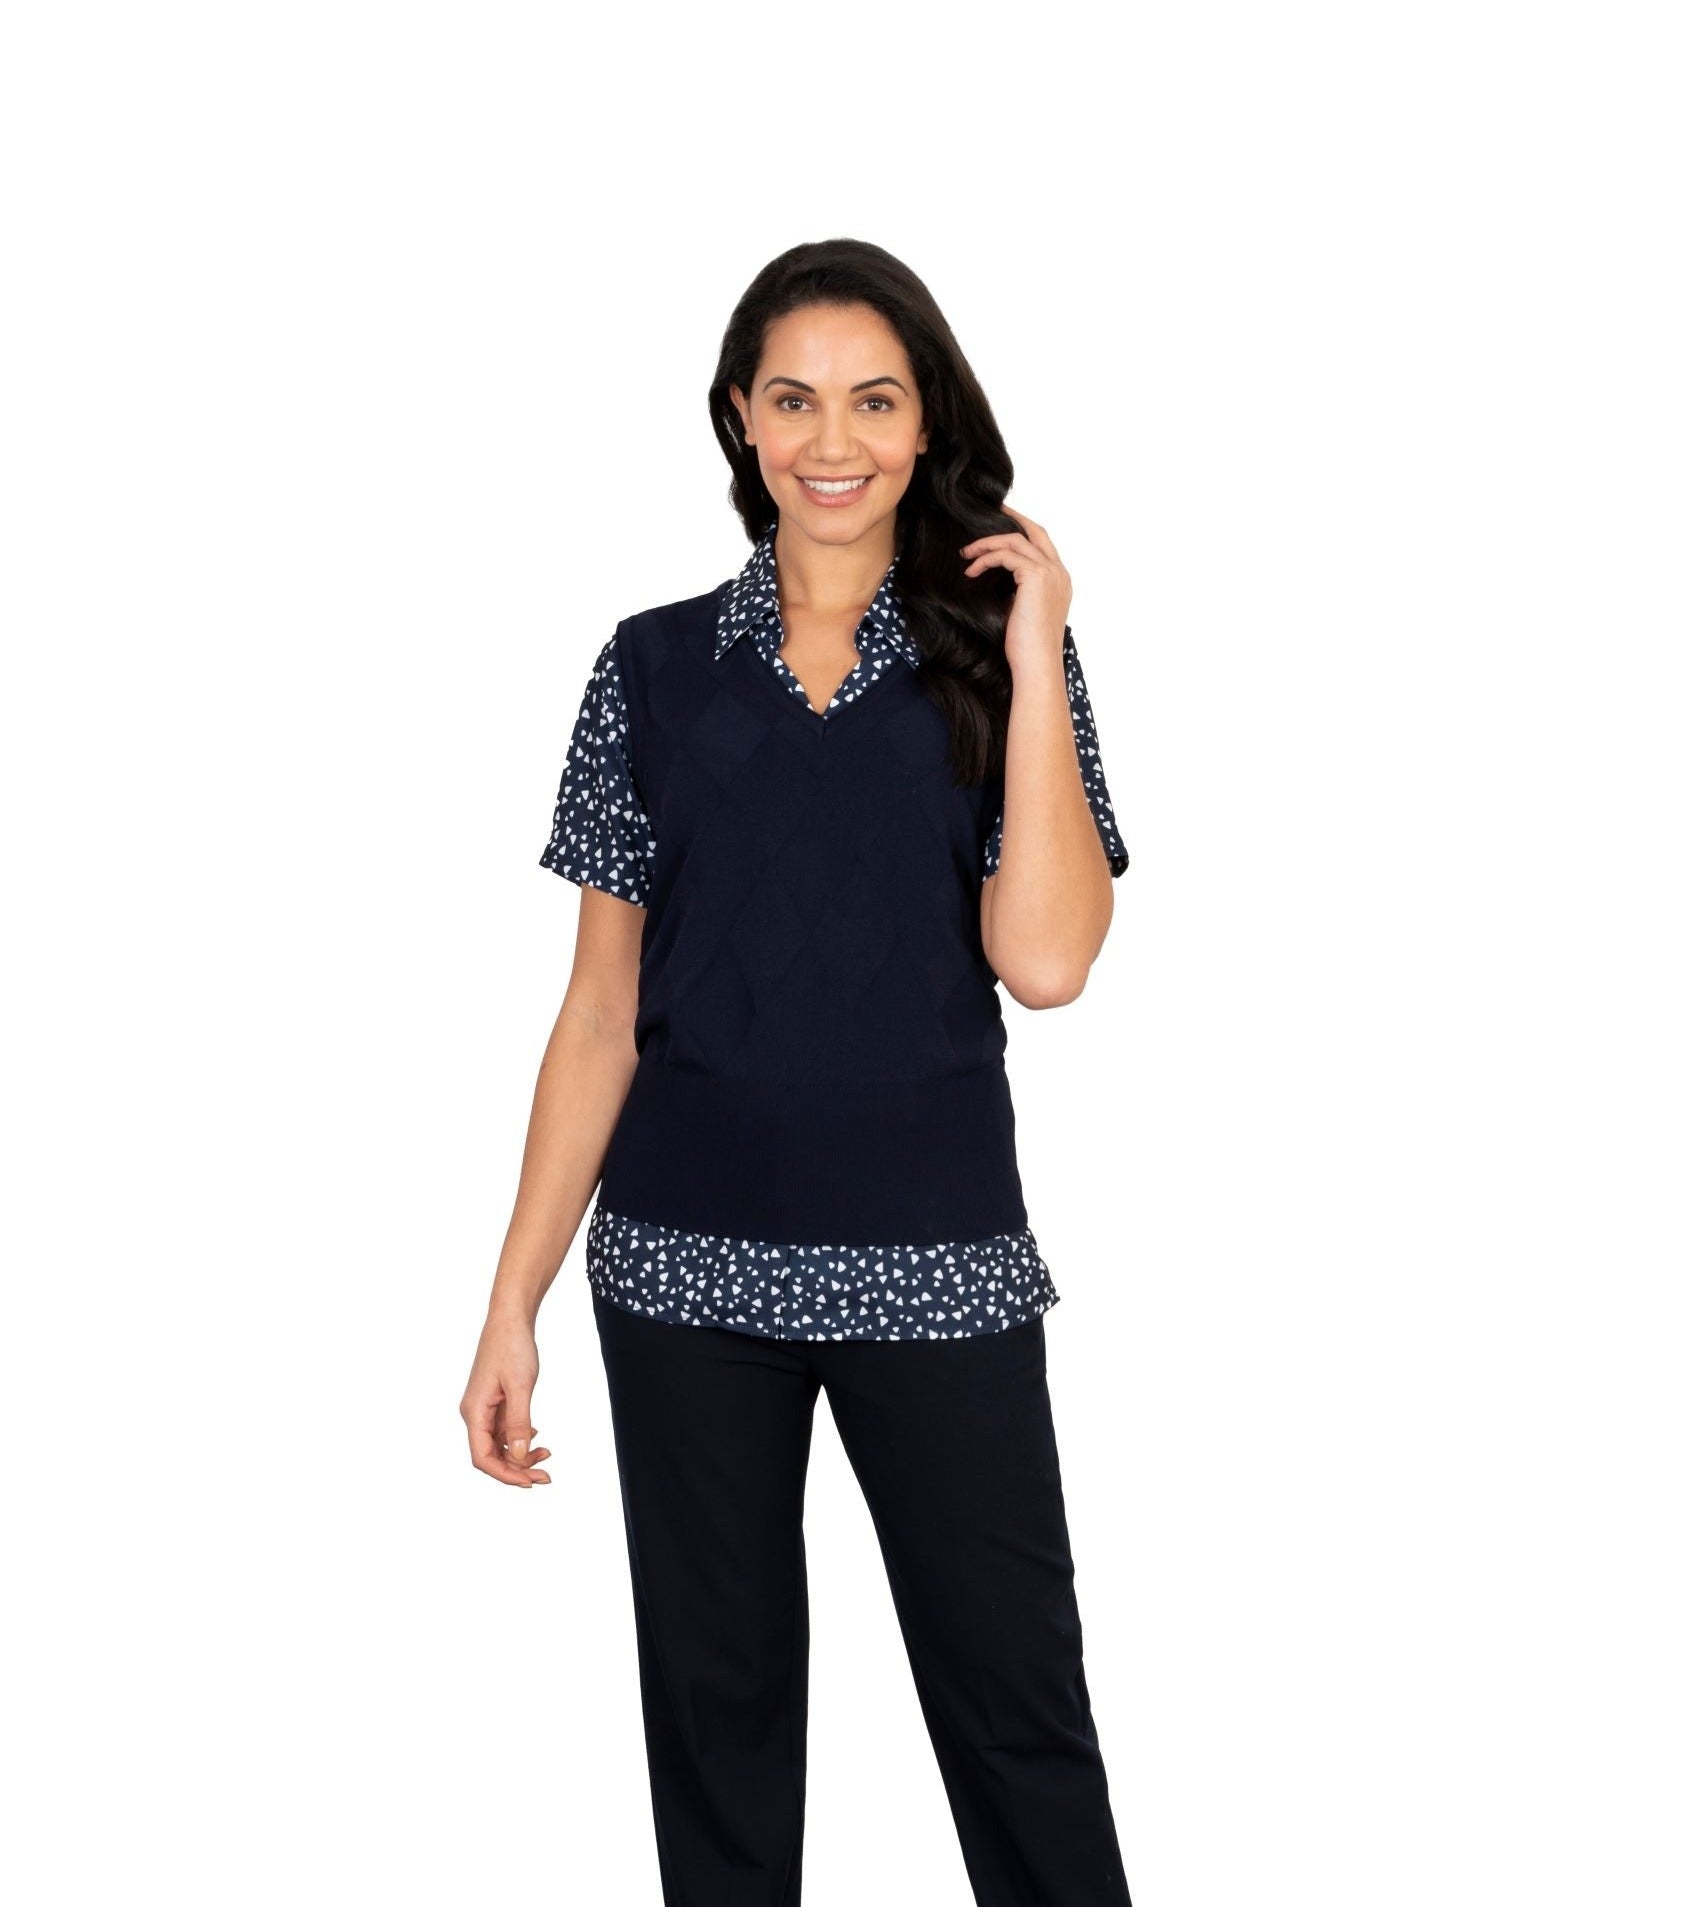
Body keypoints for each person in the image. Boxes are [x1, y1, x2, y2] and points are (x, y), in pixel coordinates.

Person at [460, 237, 1136, 1907]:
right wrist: (511, 1300)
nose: (834, 440)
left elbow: (1049, 963)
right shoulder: (648, 669)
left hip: (936, 1266)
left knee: (1018, 1717)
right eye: (795, 399)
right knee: (721, 1728)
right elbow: (600, 1013)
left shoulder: (1000, 663)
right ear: (741, 422)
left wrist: (1036, 641)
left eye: (874, 401)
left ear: (926, 425)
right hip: (683, 1274)